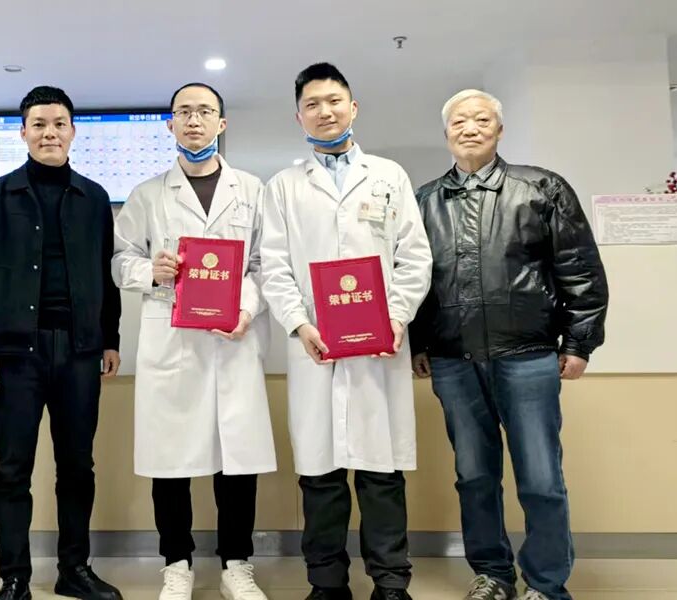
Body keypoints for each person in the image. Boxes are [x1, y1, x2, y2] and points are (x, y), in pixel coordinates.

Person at [410, 89, 609, 600]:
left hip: (527, 357)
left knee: (541, 478)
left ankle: (545, 583)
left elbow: (580, 269)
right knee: (474, 477)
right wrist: (417, 343)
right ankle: (492, 575)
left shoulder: (541, 188)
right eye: (459, 121)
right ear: (446, 133)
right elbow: (412, 280)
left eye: (482, 119)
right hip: (454, 361)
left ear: (499, 130)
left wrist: (579, 342)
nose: (470, 128)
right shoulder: (424, 201)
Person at [260, 63, 432, 600]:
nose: (325, 111)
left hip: (381, 347)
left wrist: (396, 317)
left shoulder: (389, 176)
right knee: (321, 476)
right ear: (299, 117)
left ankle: (391, 582)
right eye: (312, 104)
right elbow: (273, 267)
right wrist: (299, 323)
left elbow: (415, 257)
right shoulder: (284, 186)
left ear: (353, 107)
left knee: (382, 473)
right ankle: (327, 583)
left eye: (334, 101)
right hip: (316, 348)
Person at [112, 82, 277, 600]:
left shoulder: (252, 190)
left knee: (237, 458)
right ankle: (176, 563)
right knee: (171, 459)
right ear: (170, 124)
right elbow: (119, 260)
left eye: (205, 111)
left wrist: (247, 308)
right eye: (183, 112)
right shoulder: (147, 193)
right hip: (173, 340)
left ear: (221, 123)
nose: (194, 120)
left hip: (233, 340)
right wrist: (151, 271)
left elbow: (266, 264)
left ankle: (236, 564)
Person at [0, 86, 123, 600]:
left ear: (73, 131)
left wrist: (110, 339)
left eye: (59, 124)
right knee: (12, 469)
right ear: (23, 132)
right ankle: (14, 578)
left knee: (77, 466)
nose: (49, 133)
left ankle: (74, 570)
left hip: (80, 351)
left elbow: (107, 276)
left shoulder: (94, 198)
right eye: (39, 124)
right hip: (16, 354)